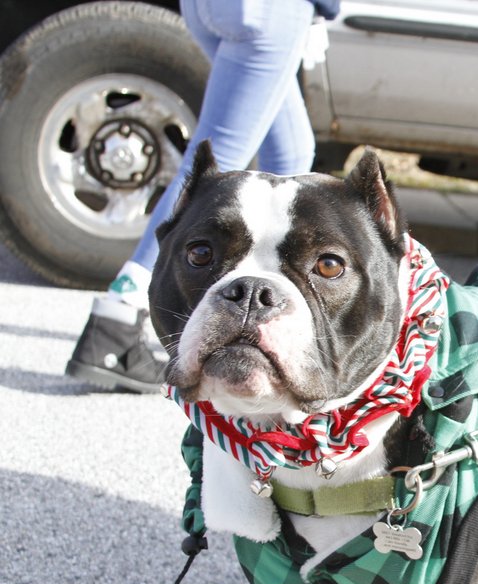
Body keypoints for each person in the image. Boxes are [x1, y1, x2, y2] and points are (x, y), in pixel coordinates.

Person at [66, 0, 340, 393]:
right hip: (271, 10)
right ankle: (118, 314)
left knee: (292, 155)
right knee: (217, 157)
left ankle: (270, 327)